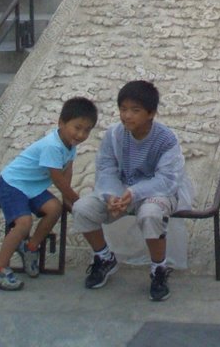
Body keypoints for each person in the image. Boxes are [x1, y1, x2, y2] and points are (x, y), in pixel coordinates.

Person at [72, 80, 193, 303]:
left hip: (159, 192)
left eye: (135, 110)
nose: (127, 116)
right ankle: (104, 257)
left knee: (150, 214)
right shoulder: (114, 134)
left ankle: (158, 268)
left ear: (151, 113)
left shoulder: (166, 139)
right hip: (121, 190)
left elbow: (167, 179)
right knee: (82, 209)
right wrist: (111, 196)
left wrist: (134, 193)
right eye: (123, 109)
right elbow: (106, 168)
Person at [0, 96, 98, 291]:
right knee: (23, 223)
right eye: (77, 127)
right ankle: (1, 266)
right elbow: (57, 179)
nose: (81, 134)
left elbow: (67, 171)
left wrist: (67, 200)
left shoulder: (70, 145)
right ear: (61, 123)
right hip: (12, 183)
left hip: (32, 186)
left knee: (54, 209)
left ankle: (30, 248)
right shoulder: (52, 145)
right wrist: (76, 200)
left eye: (87, 130)